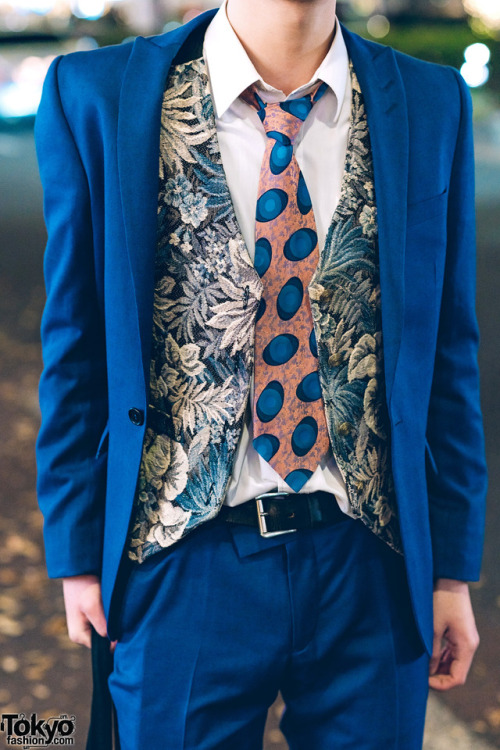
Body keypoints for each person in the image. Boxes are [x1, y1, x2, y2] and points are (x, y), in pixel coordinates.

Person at [35, 0, 487, 748]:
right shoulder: (97, 94)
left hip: (370, 560)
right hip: (183, 560)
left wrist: (451, 571)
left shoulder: (432, 103)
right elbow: (75, 343)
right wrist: (78, 553)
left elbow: (448, 355)